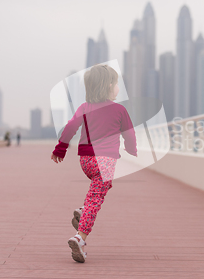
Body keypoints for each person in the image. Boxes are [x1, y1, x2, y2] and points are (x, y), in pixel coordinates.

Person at [50, 64, 138, 263]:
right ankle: (80, 238)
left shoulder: (84, 107)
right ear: (108, 85)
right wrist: (132, 150)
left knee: (99, 188)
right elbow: (129, 134)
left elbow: (70, 127)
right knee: (96, 198)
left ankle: (83, 211)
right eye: (116, 84)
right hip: (105, 161)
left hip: (86, 161)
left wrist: (60, 149)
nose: (118, 88)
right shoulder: (119, 110)